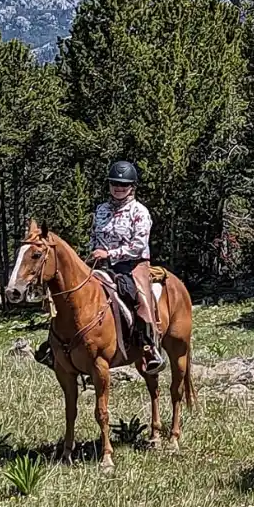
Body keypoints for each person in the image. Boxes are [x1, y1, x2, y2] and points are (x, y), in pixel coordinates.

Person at [93, 160, 164, 375]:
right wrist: (94, 255)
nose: (118, 188)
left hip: (133, 265)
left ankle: (149, 347)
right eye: (115, 183)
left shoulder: (140, 212)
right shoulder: (101, 209)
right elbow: (94, 236)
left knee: (138, 297)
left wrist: (110, 254)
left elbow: (138, 246)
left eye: (123, 185)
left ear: (132, 187)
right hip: (103, 264)